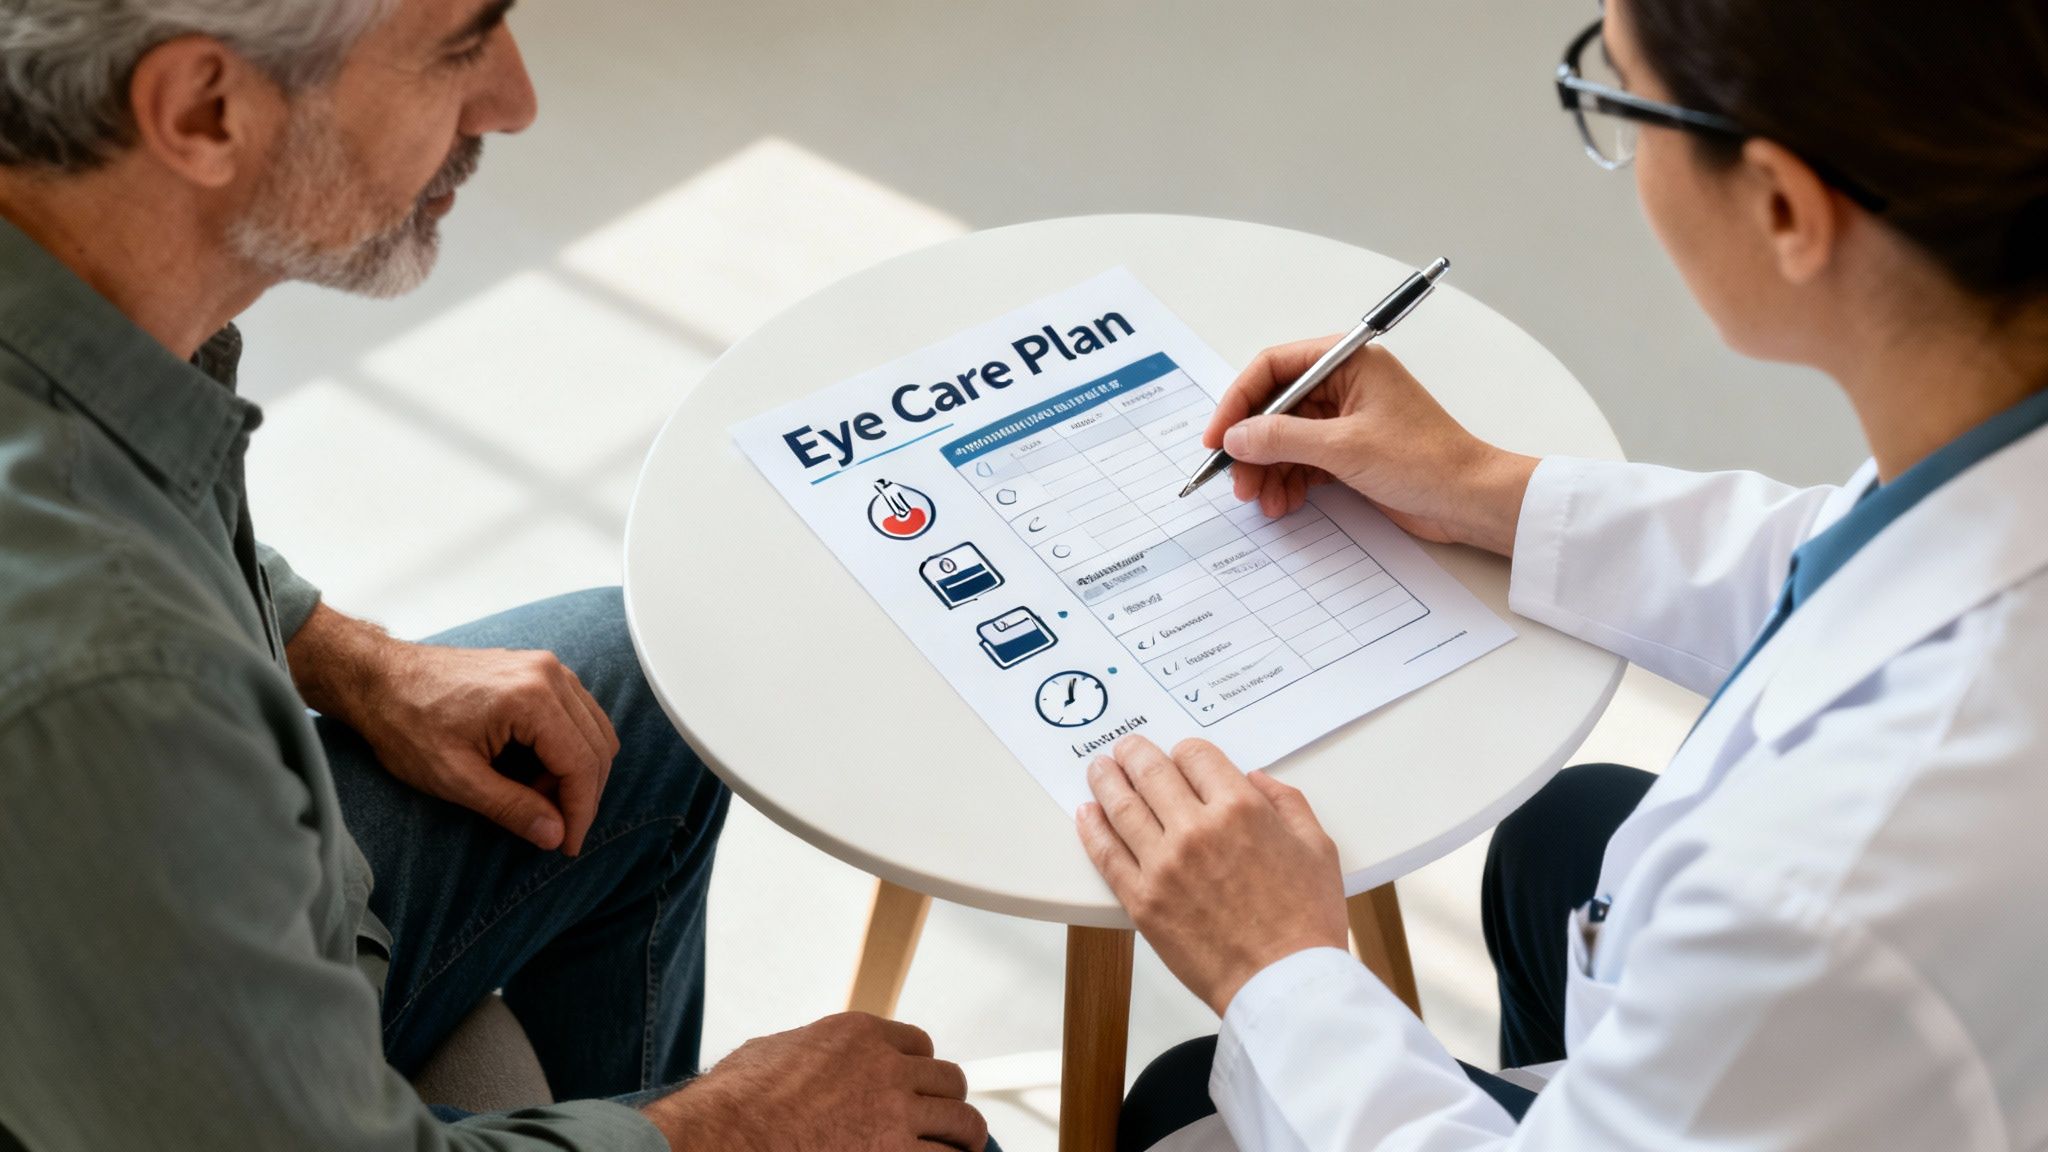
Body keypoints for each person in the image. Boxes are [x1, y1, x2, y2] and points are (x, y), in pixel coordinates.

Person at [0, 1, 991, 1150]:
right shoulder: (108, 678)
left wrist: (353, 658)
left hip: (212, 918)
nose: (513, 100)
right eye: (460, 45)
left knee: (635, 699)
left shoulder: (79, 308)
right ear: (205, 110)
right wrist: (735, 1128)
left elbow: (136, 508)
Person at [1077, 0, 2048, 1148]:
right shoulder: (1988, 426)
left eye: (1619, 95)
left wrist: (1272, 963)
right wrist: (1482, 485)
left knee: (1184, 1099)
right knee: (1564, 835)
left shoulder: (1816, 901)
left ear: (1783, 207)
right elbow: (1856, 560)